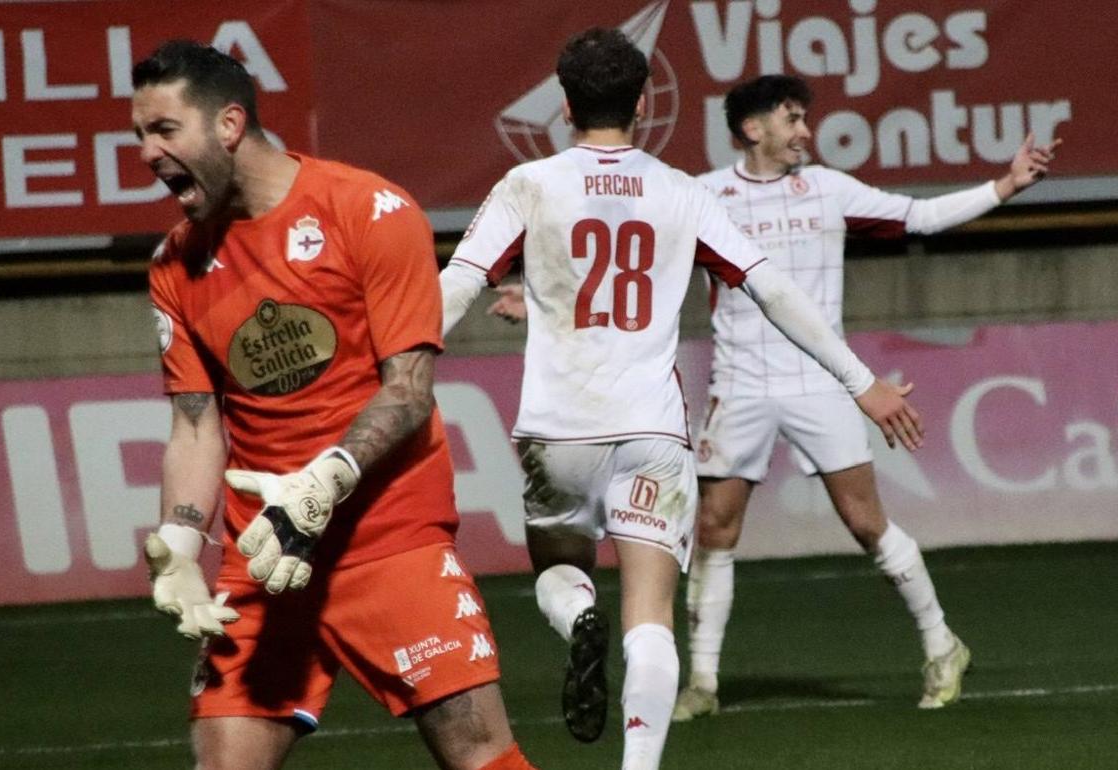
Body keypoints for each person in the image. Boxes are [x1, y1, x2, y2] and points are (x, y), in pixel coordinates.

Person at [439, 30, 921, 770]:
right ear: (642, 104)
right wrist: (861, 382)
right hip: (653, 434)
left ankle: (578, 618)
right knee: (651, 617)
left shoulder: (528, 185)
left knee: (557, 572)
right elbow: (773, 290)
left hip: (558, 429)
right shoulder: (681, 191)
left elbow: (460, 283)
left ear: (564, 106)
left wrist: (390, 361)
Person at [132, 40, 536, 770]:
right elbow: (196, 427)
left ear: (228, 126)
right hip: (264, 558)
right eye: (140, 134)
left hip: (388, 539)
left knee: (478, 754)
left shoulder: (369, 211)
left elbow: (409, 391)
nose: (146, 151)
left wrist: (327, 478)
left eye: (163, 130)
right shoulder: (175, 264)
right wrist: (183, 546)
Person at [667, 74, 1062, 721]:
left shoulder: (828, 189)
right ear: (751, 129)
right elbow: (640, 262)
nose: (804, 130)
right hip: (738, 384)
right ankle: (704, 683)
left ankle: (942, 645)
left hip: (824, 381)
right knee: (714, 528)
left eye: (804, 118)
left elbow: (921, 215)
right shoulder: (705, 196)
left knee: (864, 521)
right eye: (792, 119)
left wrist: (1006, 186)